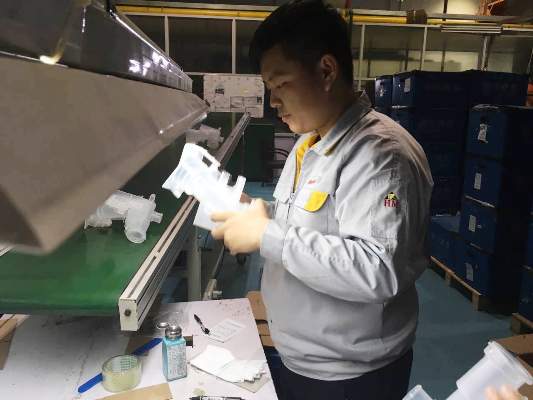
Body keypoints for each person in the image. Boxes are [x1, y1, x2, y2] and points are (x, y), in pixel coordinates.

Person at [209, 1, 519, 400]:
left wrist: (267, 235)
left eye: (280, 84)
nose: (273, 101)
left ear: (326, 71)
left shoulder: (381, 156)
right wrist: (258, 213)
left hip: (350, 377)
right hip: (304, 358)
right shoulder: (310, 143)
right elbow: (312, 226)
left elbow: (379, 269)